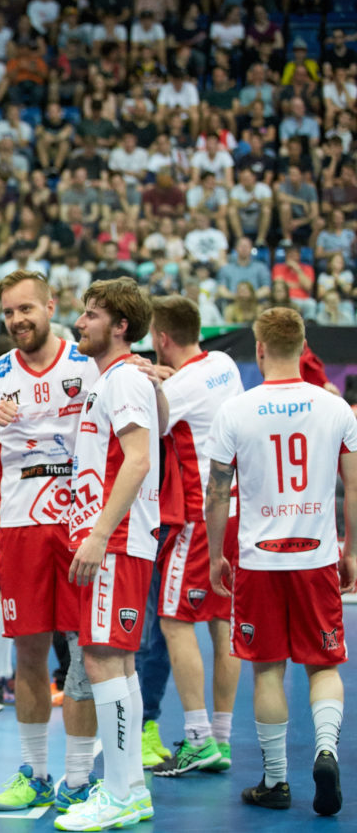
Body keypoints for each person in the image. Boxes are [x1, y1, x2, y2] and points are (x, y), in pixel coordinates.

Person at [204, 307, 354, 818]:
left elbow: (216, 494)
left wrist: (216, 555)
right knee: (325, 663)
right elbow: (353, 484)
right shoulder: (335, 407)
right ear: (304, 344)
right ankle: (326, 750)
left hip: (259, 559)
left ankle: (275, 781)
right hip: (315, 555)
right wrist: (351, 550)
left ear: (260, 348)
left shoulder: (236, 411)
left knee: (268, 669)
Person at [0, 271, 100, 814]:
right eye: (8, 313)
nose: (18, 320)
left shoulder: (86, 367)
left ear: (49, 305)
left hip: (78, 524)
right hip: (20, 528)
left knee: (86, 654)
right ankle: (37, 773)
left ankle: (80, 776)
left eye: (26, 309)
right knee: (29, 654)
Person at [57, 278, 164, 832]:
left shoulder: (122, 381)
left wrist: (98, 534)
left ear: (120, 326)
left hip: (116, 540)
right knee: (116, 661)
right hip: (122, 537)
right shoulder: (123, 379)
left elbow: (140, 458)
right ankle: (132, 790)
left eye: (92, 315)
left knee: (103, 659)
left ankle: (120, 792)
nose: (81, 322)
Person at [146, 297, 242, 778]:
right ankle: (220, 741)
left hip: (199, 516)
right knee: (222, 623)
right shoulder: (224, 363)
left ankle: (199, 738)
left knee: (173, 619)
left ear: (161, 338)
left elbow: (150, 427)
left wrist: (149, 382)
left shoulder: (178, 385)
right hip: (237, 510)